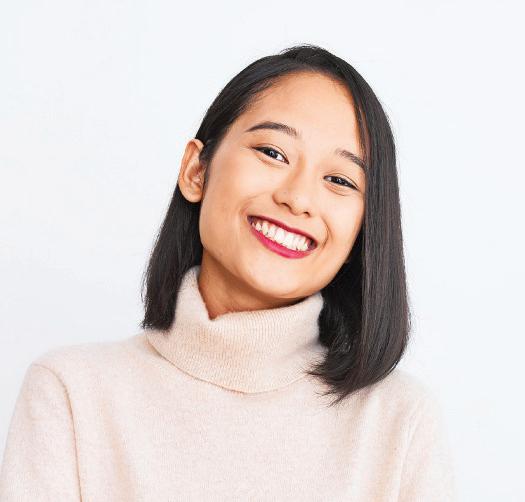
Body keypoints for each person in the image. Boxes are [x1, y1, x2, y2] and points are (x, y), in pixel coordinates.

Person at [0, 44, 456, 501]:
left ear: (364, 227)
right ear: (196, 171)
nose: (298, 198)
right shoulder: (72, 395)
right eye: (273, 152)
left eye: (339, 180)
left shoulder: (400, 423)